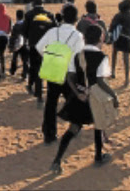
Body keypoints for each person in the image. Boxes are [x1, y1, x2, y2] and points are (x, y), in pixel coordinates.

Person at [49, 24, 119, 174]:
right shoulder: (102, 57)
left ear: (85, 38)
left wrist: (78, 93)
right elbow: (100, 81)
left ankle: (57, 160)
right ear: (100, 39)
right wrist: (113, 95)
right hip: (95, 98)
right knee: (99, 125)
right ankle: (98, 156)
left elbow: (70, 77)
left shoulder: (77, 56)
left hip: (80, 98)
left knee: (73, 129)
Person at [36, 4, 84, 144]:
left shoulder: (53, 32)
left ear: (62, 17)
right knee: (72, 101)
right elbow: (79, 57)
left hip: (53, 70)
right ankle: (73, 129)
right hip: (69, 74)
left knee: (51, 102)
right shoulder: (77, 35)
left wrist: (50, 56)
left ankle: (49, 134)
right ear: (76, 18)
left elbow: (39, 47)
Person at [22, 0, 56, 107]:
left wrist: (29, 38)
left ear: (33, 2)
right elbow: (55, 30)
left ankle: (39, 96)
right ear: (43, 2)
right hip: (47, 47)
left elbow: (24, 30)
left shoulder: (29, 15)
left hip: (34, 46)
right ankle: (43, 93)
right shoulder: (49, 15)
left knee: (35, 68)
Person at [109, 0, 130, 87]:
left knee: (114, 53)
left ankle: (113, 72)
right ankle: (127, 79)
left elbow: (112, 26)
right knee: (126, 58)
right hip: (128, 38)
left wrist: (110, 35)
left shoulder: (119, 15)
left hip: (119, 37)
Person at [9, 10, 29, 81]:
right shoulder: (26, 25)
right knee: (25, 60)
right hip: (25, 44)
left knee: (15, 57)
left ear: (17, 17)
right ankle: (25, 74)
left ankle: (13, 70)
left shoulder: (15, 26)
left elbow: (13, 37)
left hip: (17, 44)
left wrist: (11, 45)